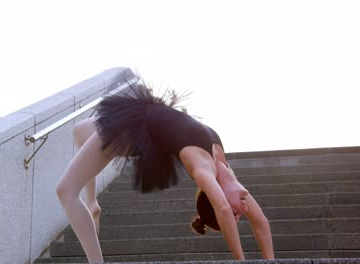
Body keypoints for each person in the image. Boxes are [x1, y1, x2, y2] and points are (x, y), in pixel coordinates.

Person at [56, 79, 274, 263]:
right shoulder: (224, 166)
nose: (243, 209)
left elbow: (224, 210)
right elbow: (261, 223)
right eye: (239, 214)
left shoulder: (203, 170)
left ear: (218, 195)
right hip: (140, 114)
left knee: (65, 191)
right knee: (79, 131)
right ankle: (92, 201)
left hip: (129, 134)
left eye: (237, 214)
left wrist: (240, 261)